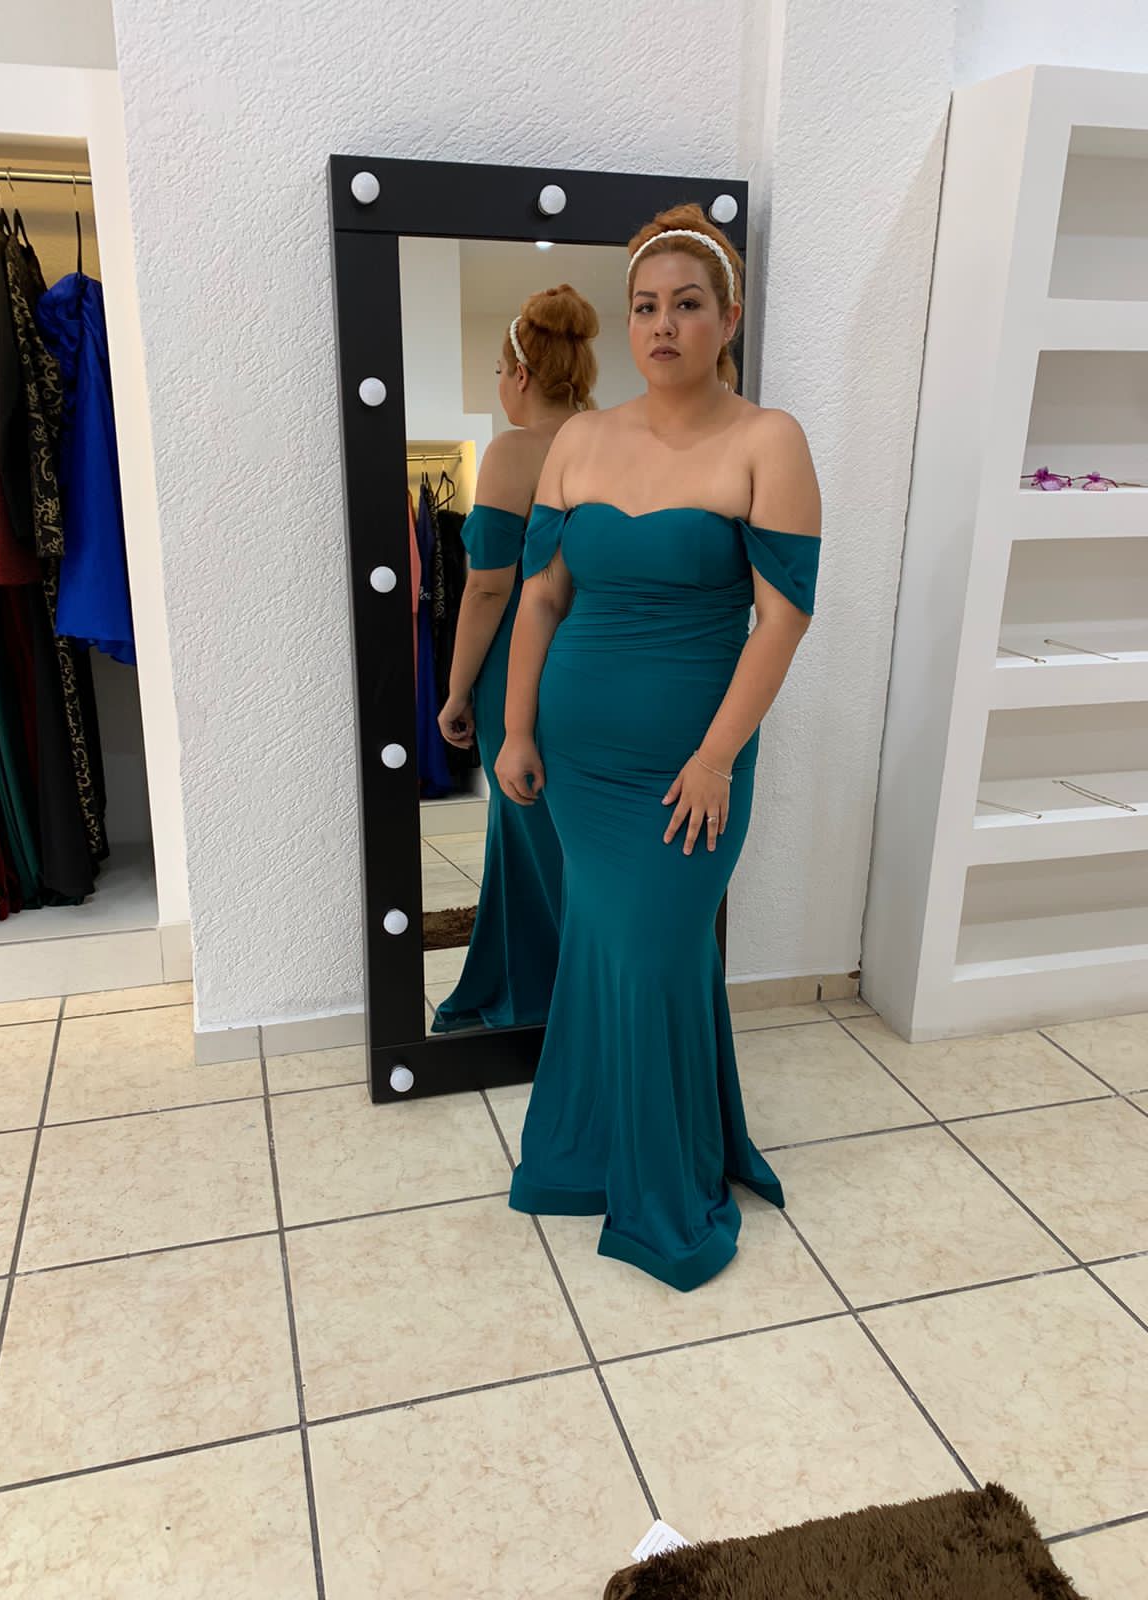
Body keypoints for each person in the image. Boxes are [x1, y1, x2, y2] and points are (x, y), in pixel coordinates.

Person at [494, 204, 822, 1291]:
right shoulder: (580, 442)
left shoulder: (768, 441)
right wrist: (517, 727)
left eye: (687, 304)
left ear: (728, 319)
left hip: (695, 757)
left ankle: (665, 1178)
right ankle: (593, 1152)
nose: (663, 325)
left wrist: (719, 755)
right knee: (608, 944)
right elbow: (542, 598)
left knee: (653, 949)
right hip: (580, 756)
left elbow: (782, 618)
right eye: (644, 307)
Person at [432, 284, 600, 1033]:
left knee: (528, 829)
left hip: (520, 670)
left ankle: (548, 1000)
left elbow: (488, 588)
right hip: (597, 659)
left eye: (499, 372)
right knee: (578, 833)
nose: (500, 386)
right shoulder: (615, 437)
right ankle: (580, 993)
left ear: (522, 375)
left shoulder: (514, 451)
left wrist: (455, 690)